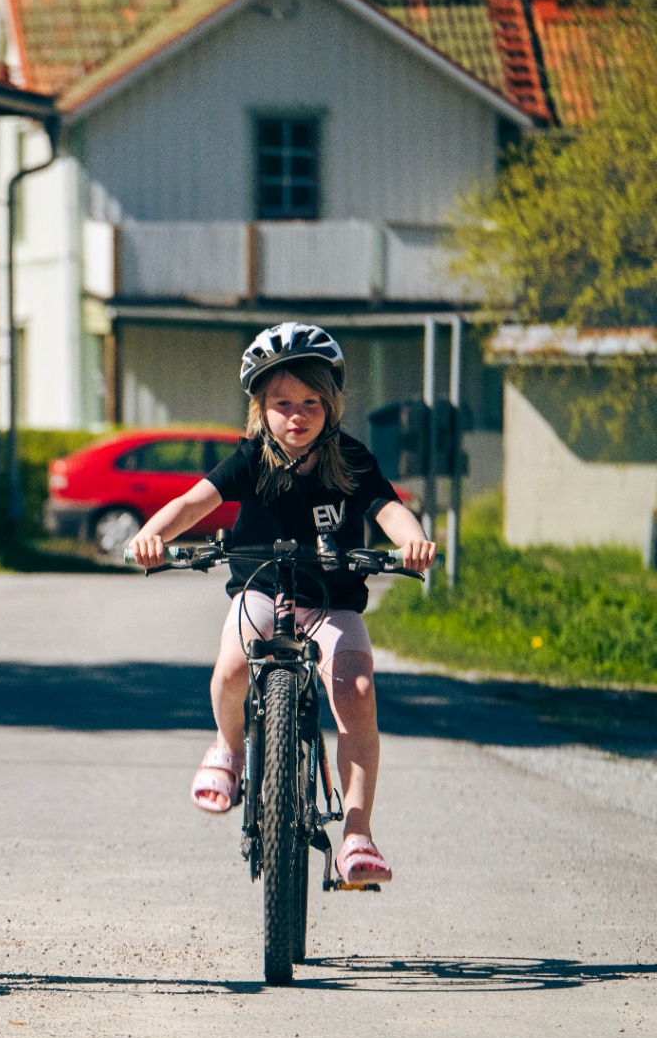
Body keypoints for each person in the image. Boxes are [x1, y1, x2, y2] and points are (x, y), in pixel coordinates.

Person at [126, 323, 434, 886]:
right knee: (235, 664)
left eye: (311, 402)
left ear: (332, 404)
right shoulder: (251, 459)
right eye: (282, 402)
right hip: (263, 587)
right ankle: (228, 749)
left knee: (358, 690)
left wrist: (410, 539)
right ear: (260, 409)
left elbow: (388, 509)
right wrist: (152, 535)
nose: (297, 414)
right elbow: (194, 501)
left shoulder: (350, 459)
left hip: (333, 599)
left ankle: (357, 836)